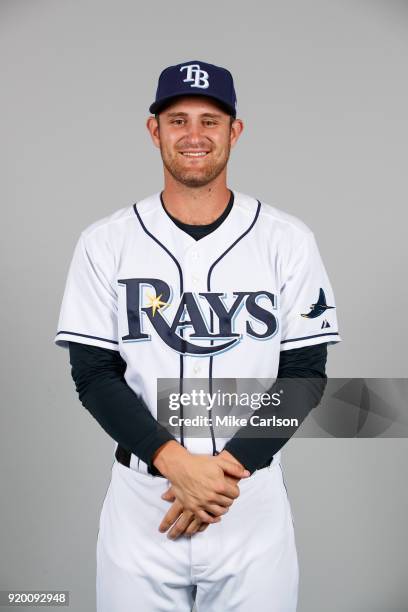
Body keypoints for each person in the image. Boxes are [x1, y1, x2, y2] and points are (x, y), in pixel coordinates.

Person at [54, 60, 341, 611]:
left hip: (247, 495)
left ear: (234, 131)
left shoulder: (287, 240)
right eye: (178, 119)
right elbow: (93, 376)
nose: (193, 135)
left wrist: (221, 474)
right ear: (153, 129)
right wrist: (176, 464)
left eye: (210, 121)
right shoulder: (105, 242)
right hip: (143, 499)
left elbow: (304, 378)